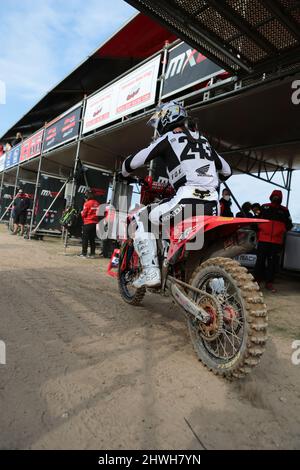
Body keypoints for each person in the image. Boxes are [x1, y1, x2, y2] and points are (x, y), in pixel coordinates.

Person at [122, 100, 231, 288]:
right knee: (203, 252)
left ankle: (151, 273)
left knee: (142, 219)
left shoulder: (169, 137)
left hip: (187, 198)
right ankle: (217, 291)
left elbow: (135, 161)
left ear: (166, 118)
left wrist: (123, 172)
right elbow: (227, 171)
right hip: (212, 203)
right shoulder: (203, 141)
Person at [254, 190, 293, 293]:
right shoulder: (264, 207)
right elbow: (256, 220)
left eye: (278, 196)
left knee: (272, 263)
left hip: (276, 242)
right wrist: (260, 229)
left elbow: (289, 224)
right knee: (260, 261)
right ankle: (256, 281)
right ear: (271, 196)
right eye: (274, 196)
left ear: (281, 198)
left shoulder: (284, 210)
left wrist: (281, 230)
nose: (276, 197)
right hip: (263, 240)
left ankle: (269, 283)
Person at [79, 191, 100, 258]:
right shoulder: (97, 203)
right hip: (95, 224)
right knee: (92, 239)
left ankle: (84, 253)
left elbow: (83, 214)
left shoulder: (87, 203)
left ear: (87, 197)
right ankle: (92, 254)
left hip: (88, 223)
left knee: (85, 239)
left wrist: (81, 212)